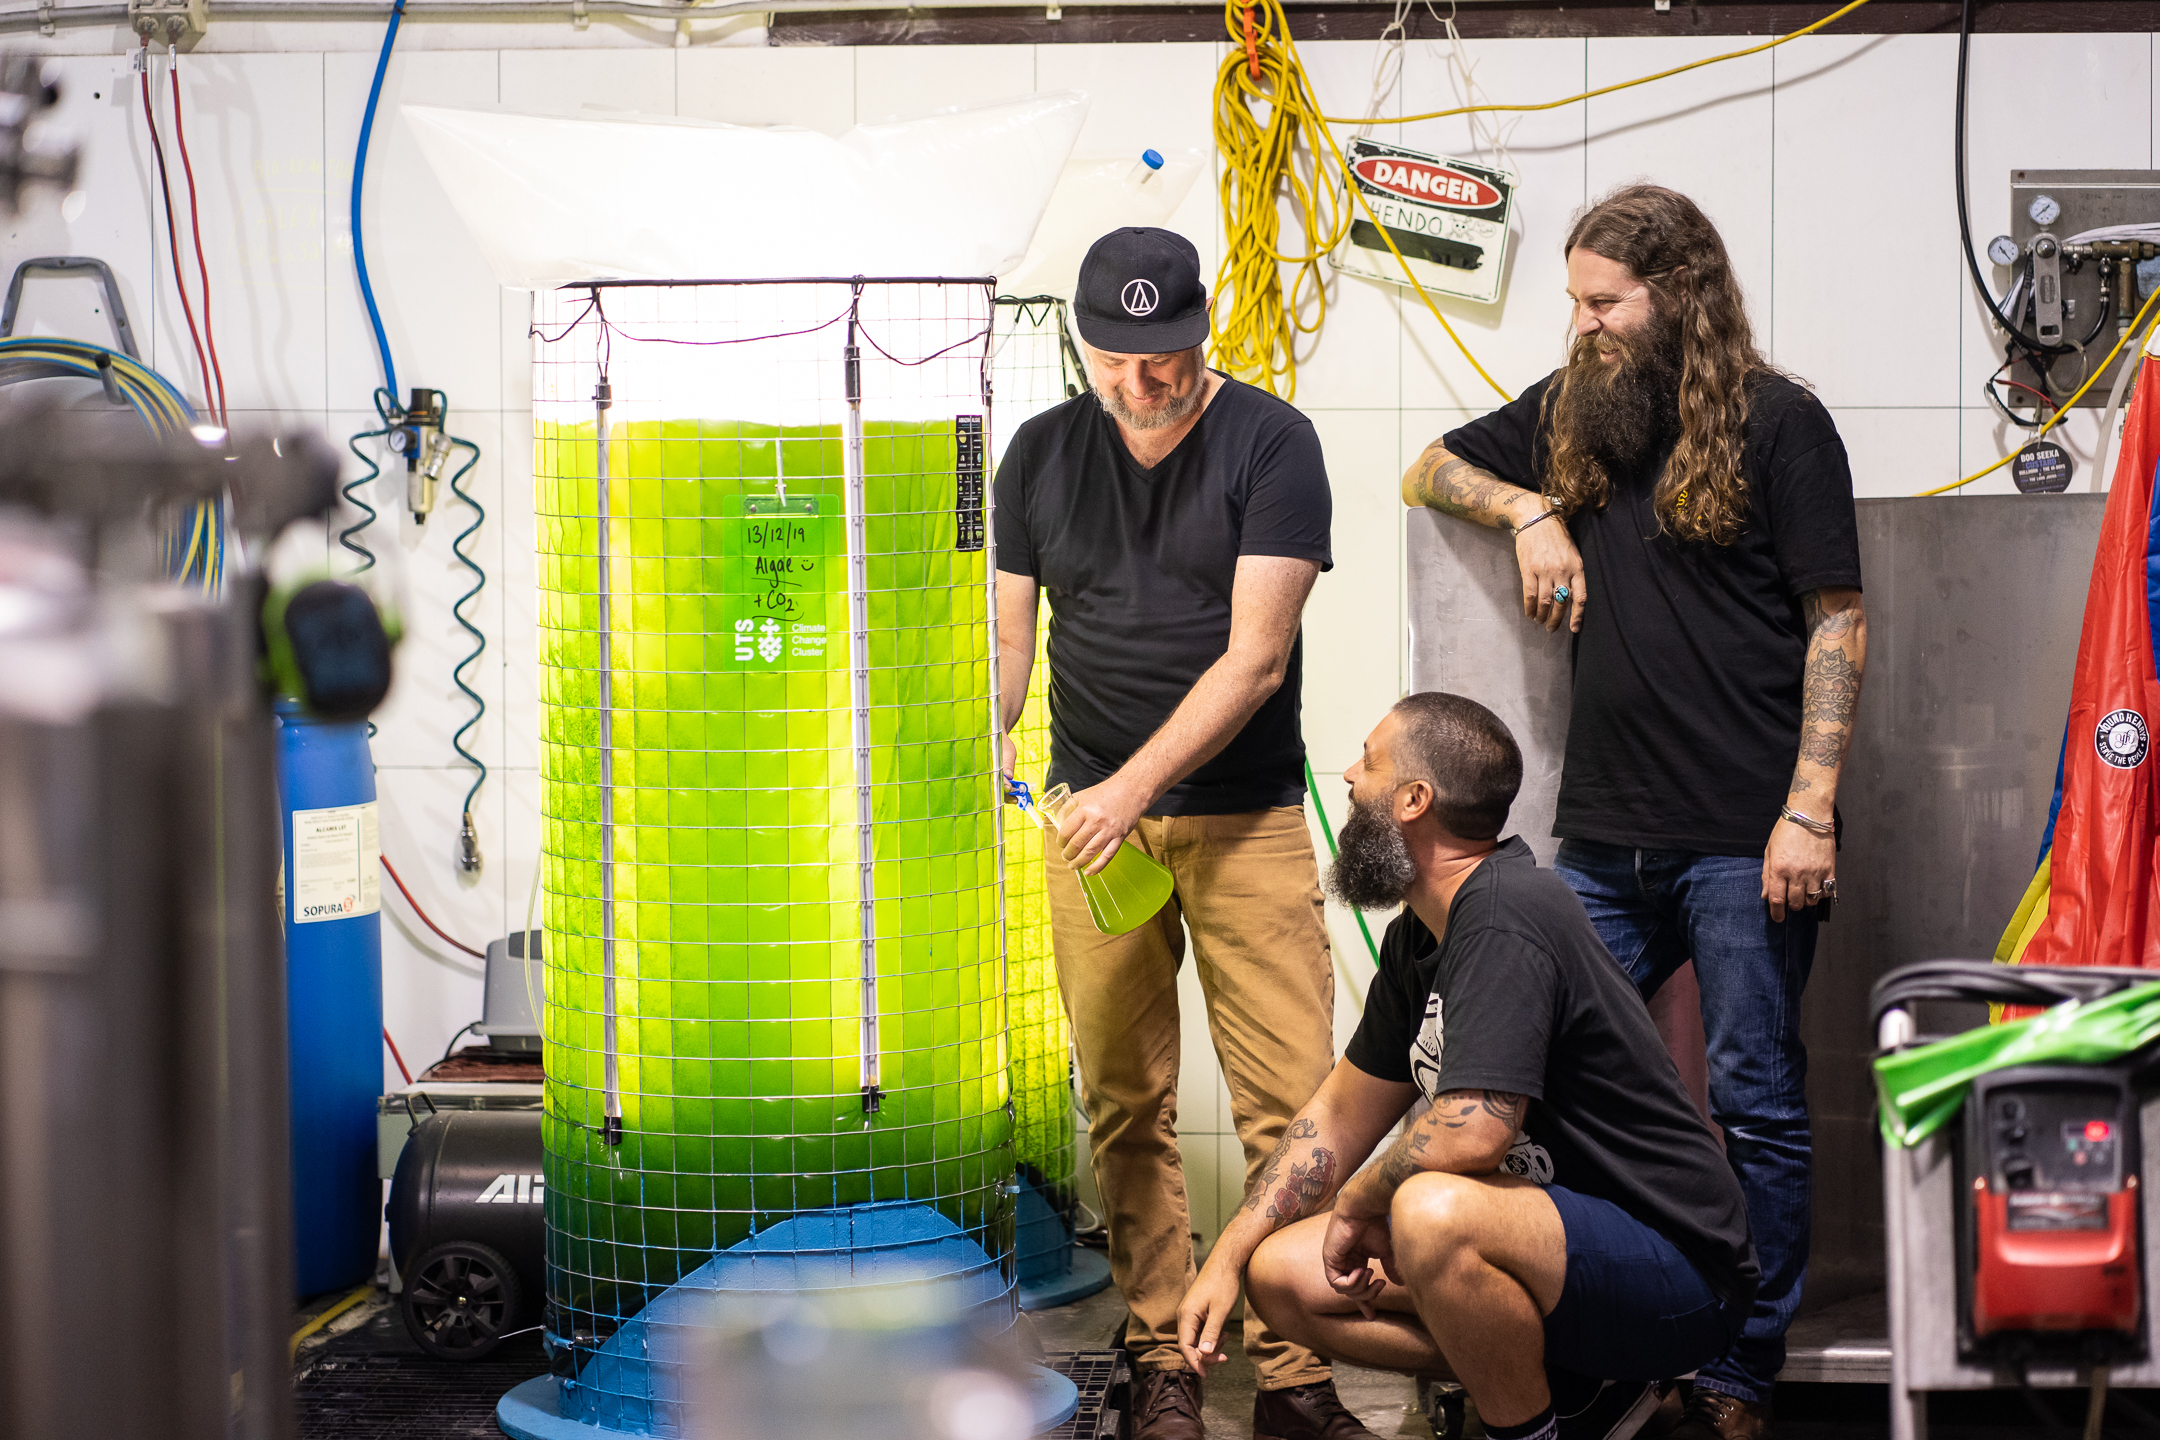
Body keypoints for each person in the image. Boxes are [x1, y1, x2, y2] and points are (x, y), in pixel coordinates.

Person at [1399, 184, 1866, 1438]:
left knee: (1756, 1101)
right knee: (1538, 1076)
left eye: (1606, 302)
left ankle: (1738, 1368)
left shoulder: (1783, 423)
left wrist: (1808, 810)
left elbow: (1839, 622)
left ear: (1680, 296)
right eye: (1576, 302)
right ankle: (1591, 1335)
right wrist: (1531, 509)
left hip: (1742, 836)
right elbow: (1425, 467)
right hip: (1603, 832)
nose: (1587, 324)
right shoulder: (1571, 415)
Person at [993, 227, 1366, 1440]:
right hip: (1096, 838)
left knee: (1294, 1108)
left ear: (1202, 333)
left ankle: (1298, 1378)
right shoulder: (1037, 455)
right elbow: (1010, 648)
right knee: (1123, 1100)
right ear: (1081, 344)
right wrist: (987, 732)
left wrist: (1131, 787)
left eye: (1166, 357)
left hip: (1243, 822)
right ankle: (1162, 1359)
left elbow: (1255, 661)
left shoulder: (1272, 444)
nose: (1143, 384)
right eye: (1117, 359)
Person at [1176, 693, 1758, 1440]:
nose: (1351, 778)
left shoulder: (1507, 910)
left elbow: (1472, 1132)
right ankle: (1574, 1392)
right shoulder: (1421, 937)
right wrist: (1226, 1256)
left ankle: (1530, 1429)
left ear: (1415, 800)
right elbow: (1339, 1115)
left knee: (1431, 1211)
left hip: (1678, 1272)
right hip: (1552, 1255)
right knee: (1280, 1275)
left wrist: (1356, 1205)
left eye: (1370, 761)